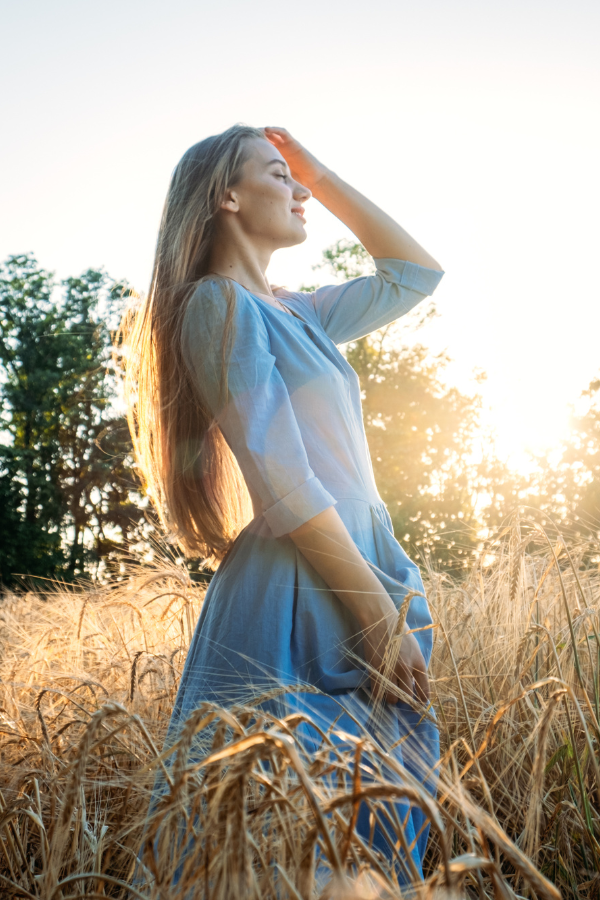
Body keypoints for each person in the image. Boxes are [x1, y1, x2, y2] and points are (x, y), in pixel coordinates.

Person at [125, 123, 444, 882]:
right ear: (226, 197)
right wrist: (371, 610)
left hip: (355, 560)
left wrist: (320, 172)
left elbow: (414, 273)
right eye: (280, 175)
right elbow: (283, 476)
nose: (299, 191)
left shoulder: (300, 312)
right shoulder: (216, 305)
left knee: (367, 822)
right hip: (304, 583)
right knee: (277, 834)